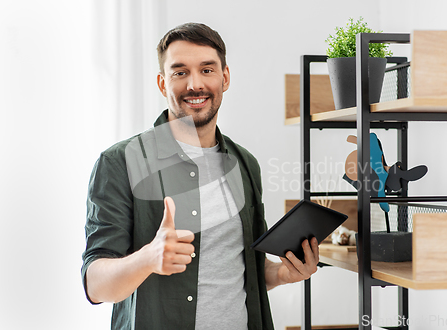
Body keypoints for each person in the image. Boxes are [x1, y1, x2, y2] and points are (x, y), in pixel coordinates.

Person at [82, 22, 319, 330]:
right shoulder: (119, 162)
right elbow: (96, 285)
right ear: (162, 83)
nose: (195, 84)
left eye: (207, 70)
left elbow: (244, 268)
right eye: (180, 72)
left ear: (225, 77)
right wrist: (148, 258)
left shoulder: (245, 163)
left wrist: (283, 274)